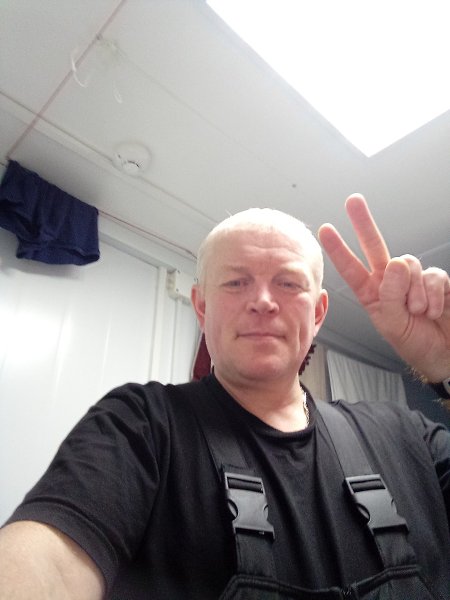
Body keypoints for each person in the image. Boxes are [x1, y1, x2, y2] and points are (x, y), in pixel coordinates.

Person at [0, 194, 449, 599]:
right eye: (236, 282)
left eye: (288, 283)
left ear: (317, 313)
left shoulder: (405, 434)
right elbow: (50, 566)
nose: (263, 301)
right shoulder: (139, 426)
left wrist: (446, 366)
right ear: (201, 306)